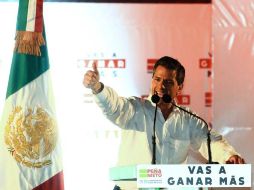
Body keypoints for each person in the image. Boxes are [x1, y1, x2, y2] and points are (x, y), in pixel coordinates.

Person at [83, 56, 245, 189]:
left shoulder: (188, 119)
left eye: (168, 82)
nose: (160, 86)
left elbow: (210, 141)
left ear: (179, 87)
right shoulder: (135, 109)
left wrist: (229, 156)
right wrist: (97, 88)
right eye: (157, 79)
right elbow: (114, 107)